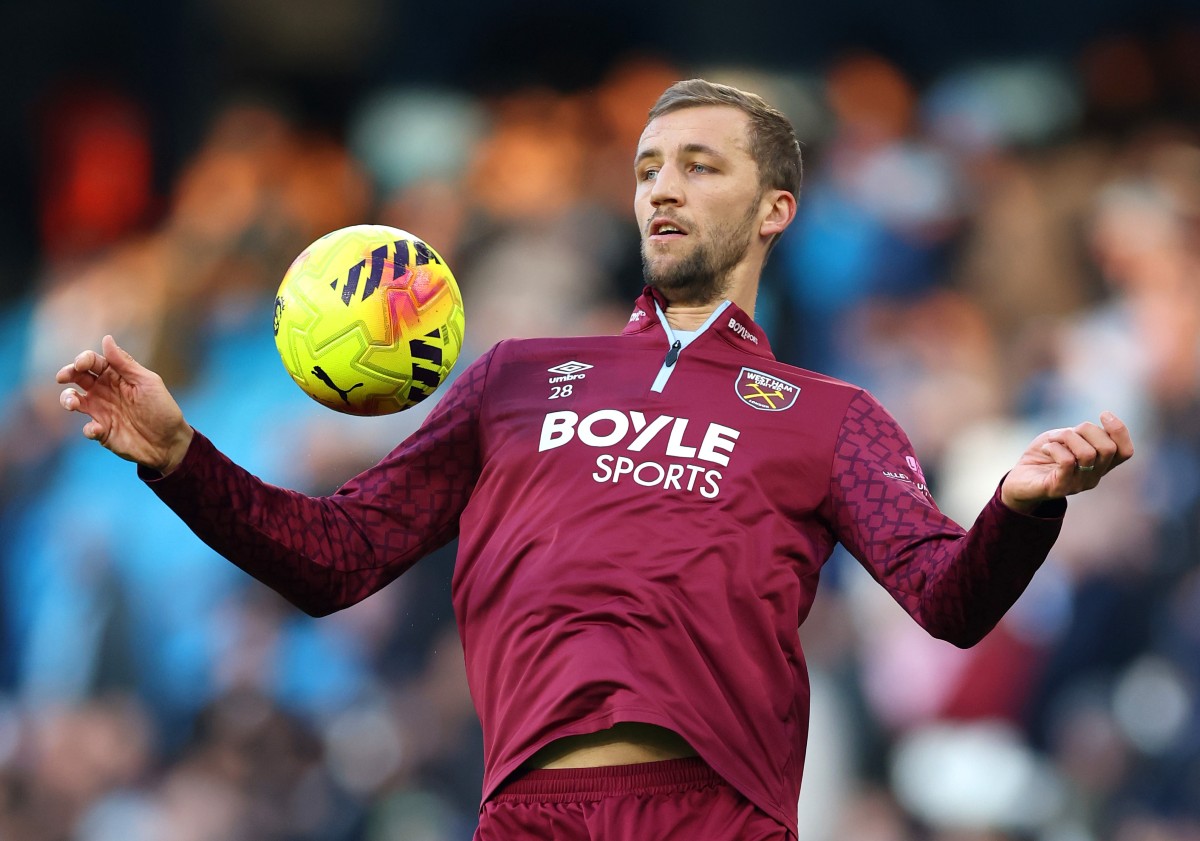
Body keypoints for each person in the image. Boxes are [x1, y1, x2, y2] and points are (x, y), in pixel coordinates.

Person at [56, 79, 1133, 841]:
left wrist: (1023, 505)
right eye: (647, 167)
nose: (661, 189)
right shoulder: (515, 376)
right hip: (528, 813)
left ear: (774, 211)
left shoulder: (830, 414)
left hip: (717, 816)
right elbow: (337, 557)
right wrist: (179, 454)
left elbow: (948, 597)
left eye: (698, 166)